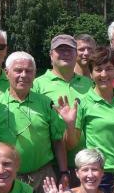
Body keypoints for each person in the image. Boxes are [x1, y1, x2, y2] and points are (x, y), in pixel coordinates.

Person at [0, 52, 68, 193]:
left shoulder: (45, 103)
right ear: (7, 73)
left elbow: (57, 140)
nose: (23, 75)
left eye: (29, 71)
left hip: (43, 176)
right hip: (6, 177)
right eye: (18, 70)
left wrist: (64, 172)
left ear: (34, 74)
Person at [62, 47, 114, 193]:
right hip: (98, 174)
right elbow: (71, 144)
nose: (104, 74)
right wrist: (69, 125)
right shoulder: (83, 103)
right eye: (98, 69)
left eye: (109, 69)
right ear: (91, 74)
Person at [32, 34, 95, 171]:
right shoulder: (37, 85)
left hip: (88, 165)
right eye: (60, 50)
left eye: (70, 50)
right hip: (54, 166)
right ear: (51, 55)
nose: (65, 53)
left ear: (76, 54)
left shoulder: (89, 84)